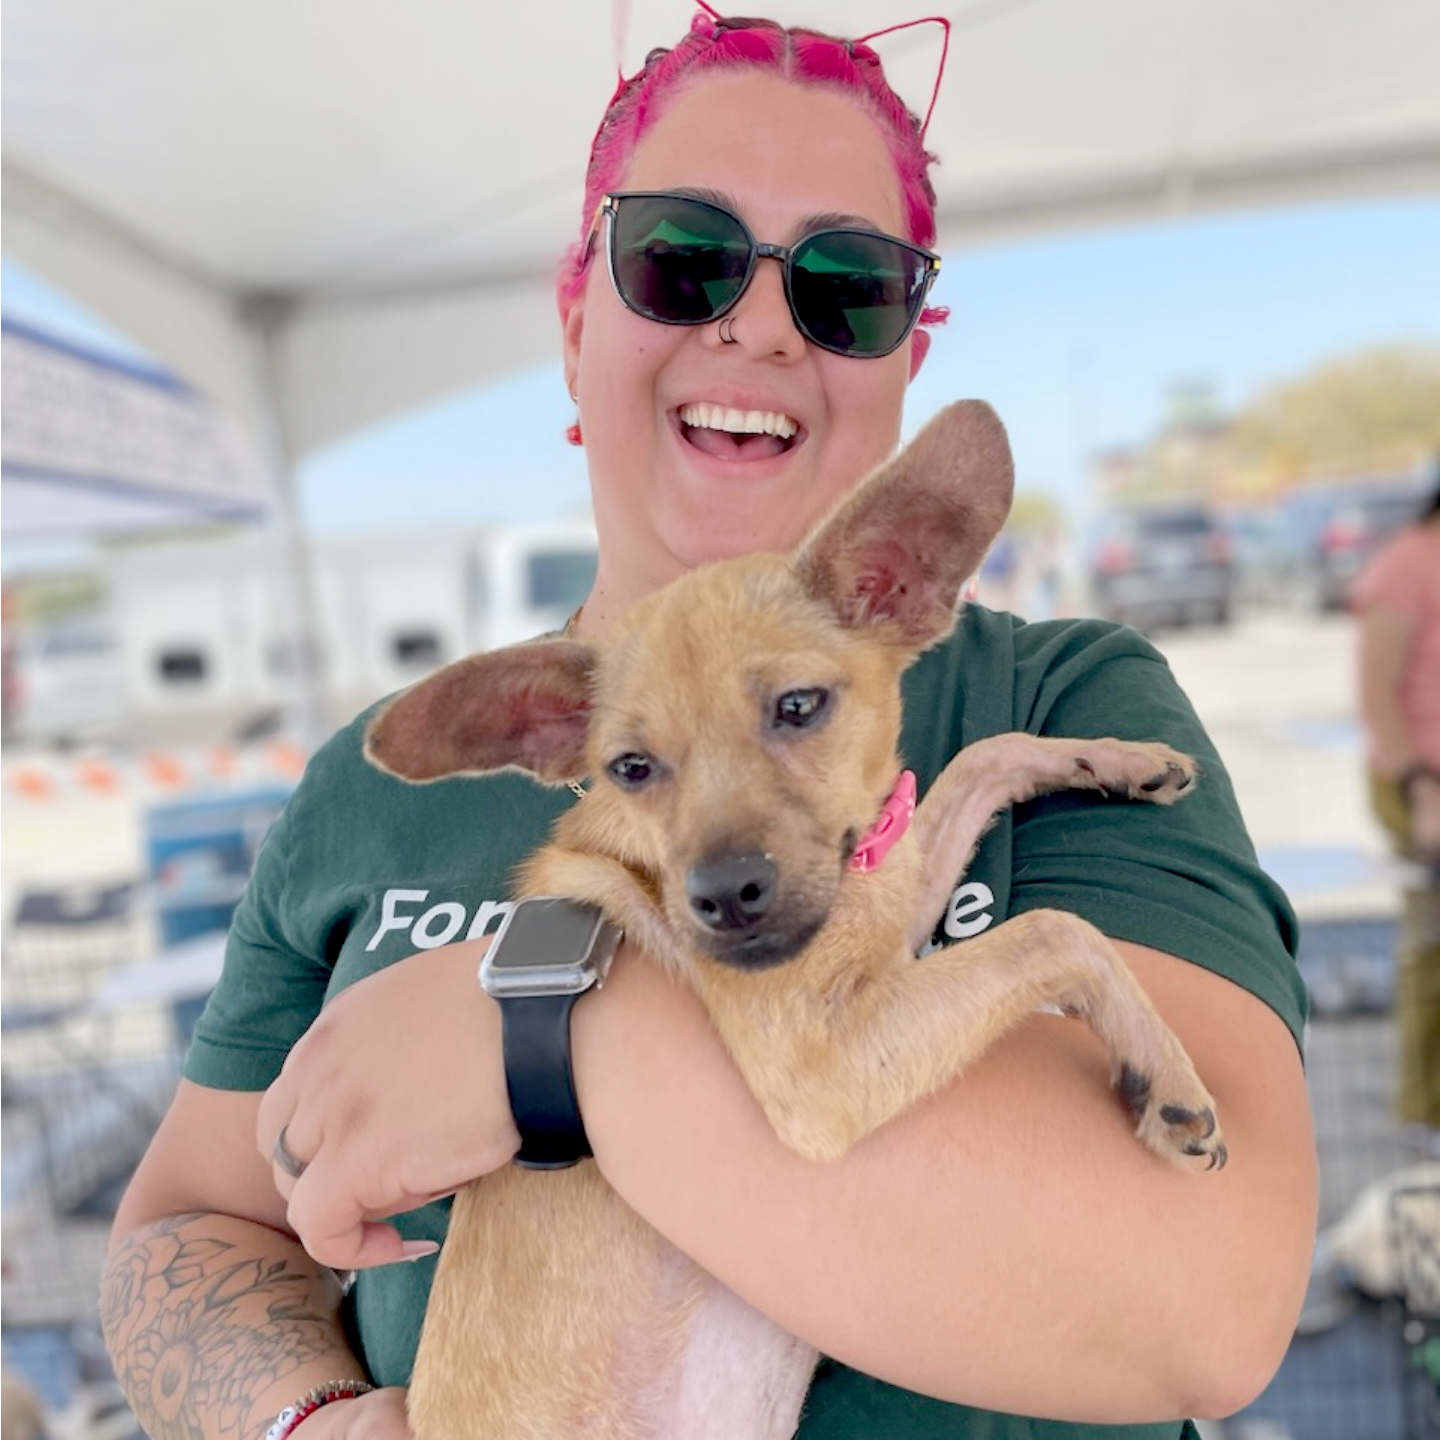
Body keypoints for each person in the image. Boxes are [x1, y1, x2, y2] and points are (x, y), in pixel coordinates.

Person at [100, 12, 1317, 1440]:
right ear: (574, 332)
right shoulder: (360, 800)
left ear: (903, 361)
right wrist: (304, 1423)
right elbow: (179, 1224)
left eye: (845, 287)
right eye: (680, 260)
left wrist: (544, 1030)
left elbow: (1208, 1308)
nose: (754, 324)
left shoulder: (1069, 699)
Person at [1350, 470, 1440, 1154]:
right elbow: (1378, 694)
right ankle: (1426, 1115)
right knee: (1431, 951)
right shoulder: (1407, 564)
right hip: (1421, 781)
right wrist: (1420, 788)